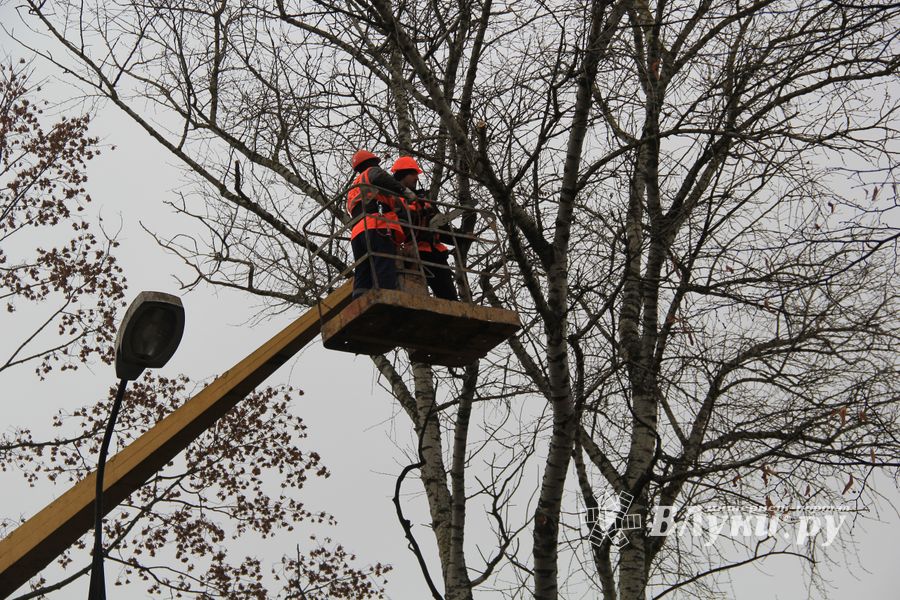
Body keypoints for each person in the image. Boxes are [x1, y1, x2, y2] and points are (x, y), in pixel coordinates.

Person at [347, 150, 418, 298]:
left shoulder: (354, 187)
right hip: (376, 226)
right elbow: (380, 176)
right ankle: (387, 298)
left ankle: (359, 299)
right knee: (384, 263)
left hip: (357, 232)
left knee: (363, 268)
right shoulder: (371, 172)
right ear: (372, 162)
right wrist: (404, 191)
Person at [391, 156, 459, 301]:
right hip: (414, 253)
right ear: (402, 175)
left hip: (436, 252)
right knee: (414, 299)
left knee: (450, 298)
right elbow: (398, 227)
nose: (416, 178)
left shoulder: (424, 200)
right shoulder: (394, 199)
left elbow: (442, 228)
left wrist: (460, 237)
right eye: (413, 174)